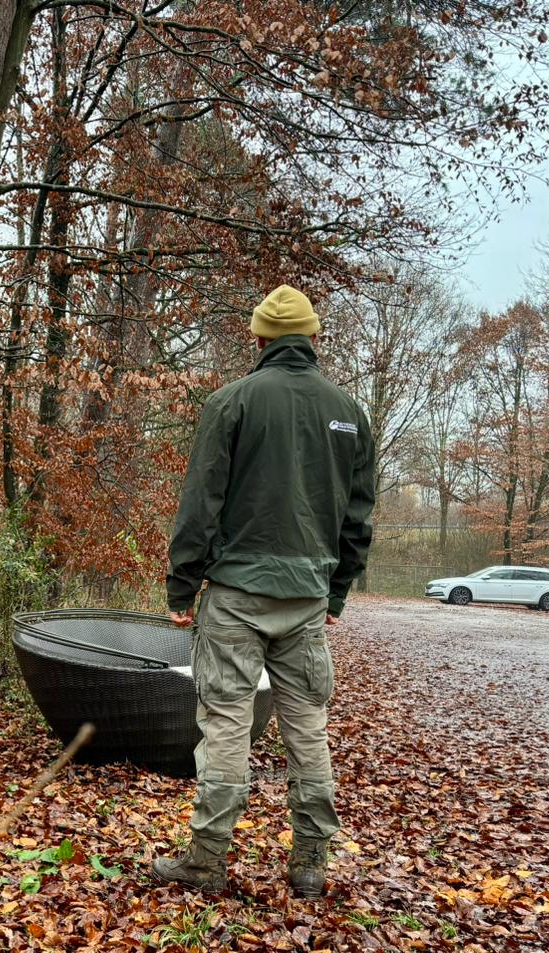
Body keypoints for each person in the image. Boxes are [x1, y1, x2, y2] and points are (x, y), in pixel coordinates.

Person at [152, 285, 375, 898]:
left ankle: (206, 860)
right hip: (304, 597)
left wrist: (182, 586)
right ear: (314, 339)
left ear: (259, 341)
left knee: (226, 721)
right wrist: (334, 594)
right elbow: (359, 517)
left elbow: (201, 502)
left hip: (235, 592)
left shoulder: (233, 402)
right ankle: (309, 863)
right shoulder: (349, 412)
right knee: (307, 726)